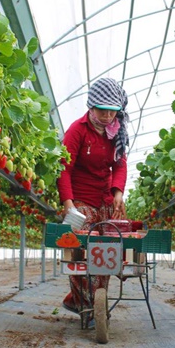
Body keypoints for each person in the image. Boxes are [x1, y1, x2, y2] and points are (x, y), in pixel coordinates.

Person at [56, 77, 129, 323]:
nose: (109, 116)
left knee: (108, 247)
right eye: (103, 110)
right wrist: (69, 205)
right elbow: (63, 168)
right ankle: (88, 307)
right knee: (81, 248)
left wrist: (118, 192)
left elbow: (120, 164)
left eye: (113, 111)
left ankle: (92, 301)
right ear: (91, 107)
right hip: (81, 199)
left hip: (105, 197)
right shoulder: (77, 130)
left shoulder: (115, 132)